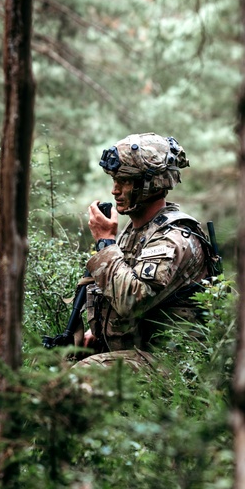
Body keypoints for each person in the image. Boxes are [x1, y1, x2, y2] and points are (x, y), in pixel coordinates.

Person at [77, 132, 218, 368]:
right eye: (115, 180)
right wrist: (99, 335)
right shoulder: (136, 232)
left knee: (84, 374)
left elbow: (132, 301)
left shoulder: (173, 238)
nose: (115, 190)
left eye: (125, 181)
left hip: (175, 364)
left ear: (151, 183)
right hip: (141, 352)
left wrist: (105, 243)